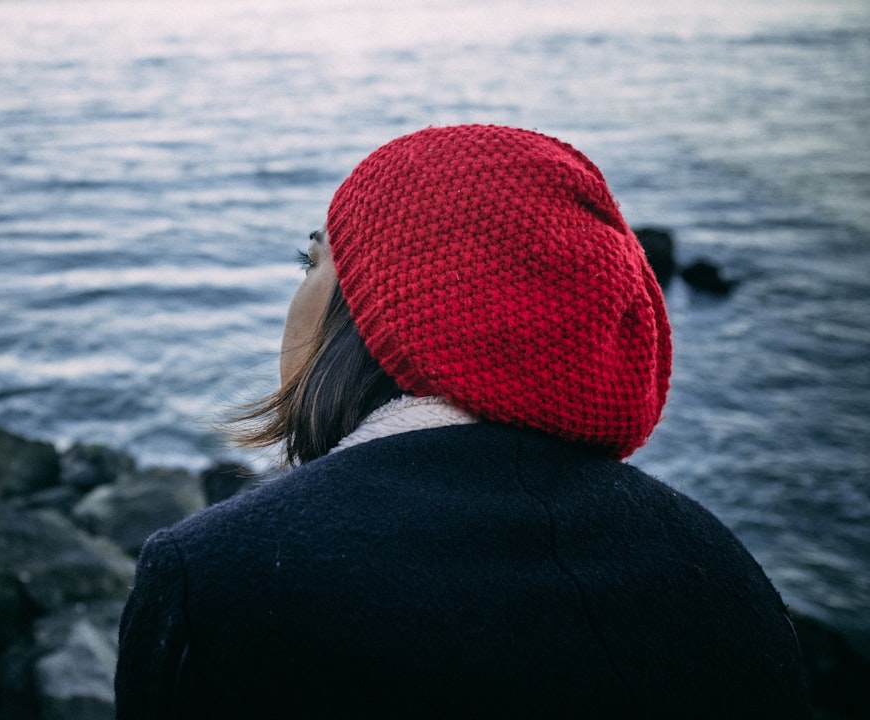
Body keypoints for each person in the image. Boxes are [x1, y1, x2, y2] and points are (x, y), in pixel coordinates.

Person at [114, 125, 811, 718]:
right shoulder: (722, 575)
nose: (296, 294)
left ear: (377, 314)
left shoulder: (218, 579)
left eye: (312, 261)